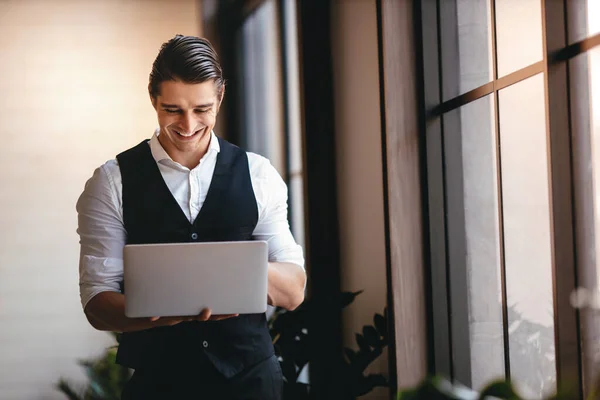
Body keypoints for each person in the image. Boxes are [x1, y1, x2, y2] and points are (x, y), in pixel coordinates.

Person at [76, 35, 306, 400]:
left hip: (253, 383)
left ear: (220, 98)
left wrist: (228, 270)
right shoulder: (110, 182)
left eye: (202, 110)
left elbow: (293, 290)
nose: (187, 125)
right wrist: (169, 313)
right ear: (153, 99)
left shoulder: (259, 175)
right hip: (159, 384)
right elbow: (98, 303)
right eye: (172, 109)